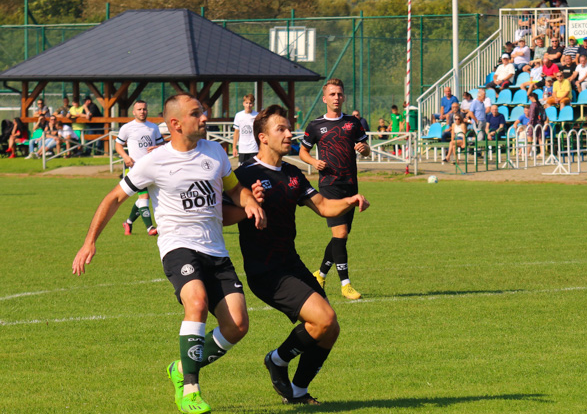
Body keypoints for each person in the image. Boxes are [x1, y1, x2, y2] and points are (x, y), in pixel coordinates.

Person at [72, 93, 267, 414]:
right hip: (178, 247)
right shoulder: (154, 161)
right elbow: (113, 198)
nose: (204, 118)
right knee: (197, 302)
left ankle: (181, 367)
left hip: (215, 250)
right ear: (175, 123)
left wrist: (248, 200)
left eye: (203, 112)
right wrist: (89, 240)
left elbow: (233, 189)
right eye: (197, 114)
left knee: (238, 326)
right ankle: (190, 388)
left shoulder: (215, 152)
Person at [229, 104, 369, 406]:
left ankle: (299, 391)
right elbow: (221, 214)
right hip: (266, 270)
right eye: (281, 128)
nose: (289, 133)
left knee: (329, 329)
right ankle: (276, 360)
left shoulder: (292, 173)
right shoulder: (244, 174)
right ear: (263, 137)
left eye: (288, 127)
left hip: (291, 264)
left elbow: (323, 207)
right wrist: (246, 204)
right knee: (324, 319)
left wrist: (350, 199)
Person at [299, 78, 371, 300]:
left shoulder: (353, 123)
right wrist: (313, 162)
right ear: (324, 99)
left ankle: (319, 275)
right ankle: (345, 285)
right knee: (339, 233)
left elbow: (367, 151)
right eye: (332, 94)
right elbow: (303, 151)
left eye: (339, 94)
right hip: (329, 185)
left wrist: (364, 148)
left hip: (351, 184)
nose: (336, 98)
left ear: (344, 97)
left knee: (342, 236)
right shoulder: (315, 125)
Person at [115, 100, 165, 236]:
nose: (142, 112)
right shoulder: (127, 128)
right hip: (136, 169)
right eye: (139, 109)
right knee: (144, 197)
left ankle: (128, 222)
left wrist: (157, 147)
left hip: (152, 168)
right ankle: (150, 228)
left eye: (144, 109)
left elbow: (163, 145)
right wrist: (125, 157)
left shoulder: (153, 127)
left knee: (144, 197)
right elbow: (118, 145)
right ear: (134, 112)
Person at [232, 94, 259, 164]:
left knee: (254, 170)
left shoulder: (257, 115)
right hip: (243, 149)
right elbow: (236, 132)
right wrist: (234, 147)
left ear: (253, 104)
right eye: (246, 103)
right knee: (242, 170)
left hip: (254, 148)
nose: (248, 105)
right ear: (243, 103)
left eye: (250, 103)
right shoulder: (238, 115)